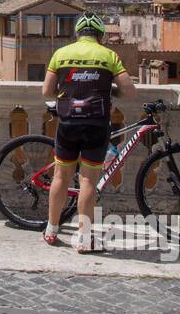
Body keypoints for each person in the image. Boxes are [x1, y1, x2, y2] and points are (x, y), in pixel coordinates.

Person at [41, 13, 134, 252]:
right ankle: (83, 237)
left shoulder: (60, 54)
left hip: (68, 123)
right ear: (100, 36)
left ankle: (52, 230)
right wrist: (111, 92)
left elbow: (47, 92)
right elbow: (129, 91)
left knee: (60, 177)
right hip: (97, 123)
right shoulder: (109, 55)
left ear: (77, 33)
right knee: (88, 181)